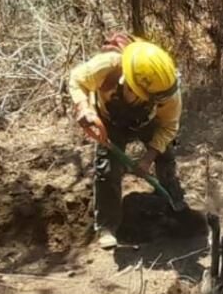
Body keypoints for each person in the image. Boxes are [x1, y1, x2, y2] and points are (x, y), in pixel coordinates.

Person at [68, 37, 186, 249]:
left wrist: (148, 159)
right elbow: (77, 79)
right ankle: (107, 225)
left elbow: (168, 127)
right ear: (131, 83)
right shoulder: (108, 66)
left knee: (165, 155)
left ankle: (172, 201)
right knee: (107, 170)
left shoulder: (168, 91)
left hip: (147, 122)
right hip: (110, 122)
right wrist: (83, 107)